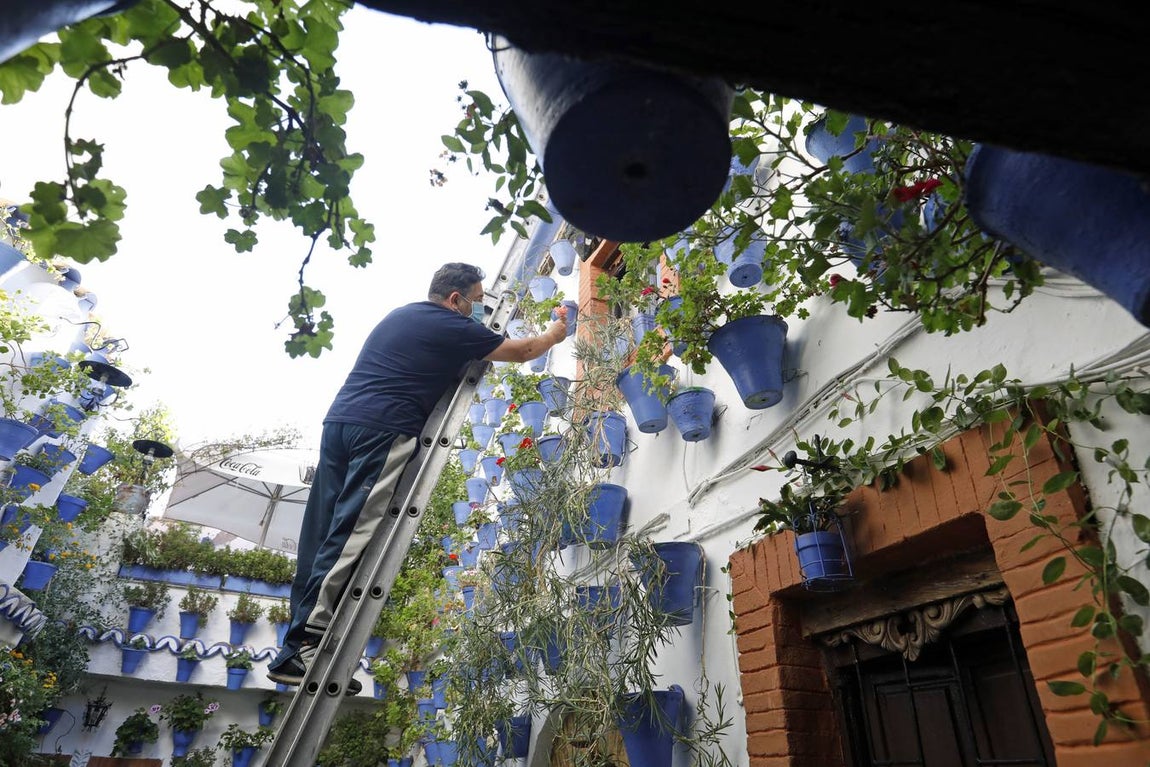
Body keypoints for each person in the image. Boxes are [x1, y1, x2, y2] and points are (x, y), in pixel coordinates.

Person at [268, 262, 567, 690]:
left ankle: (296, 646)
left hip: (340, 425)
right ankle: (304, 645)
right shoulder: (452, 324)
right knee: (351, 533)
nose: (478, 310)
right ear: (454, 299)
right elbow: (522, 351)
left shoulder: (402, 315)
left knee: (320, 535)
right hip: (383, 428)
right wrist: (554, 334)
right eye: (476, 302)